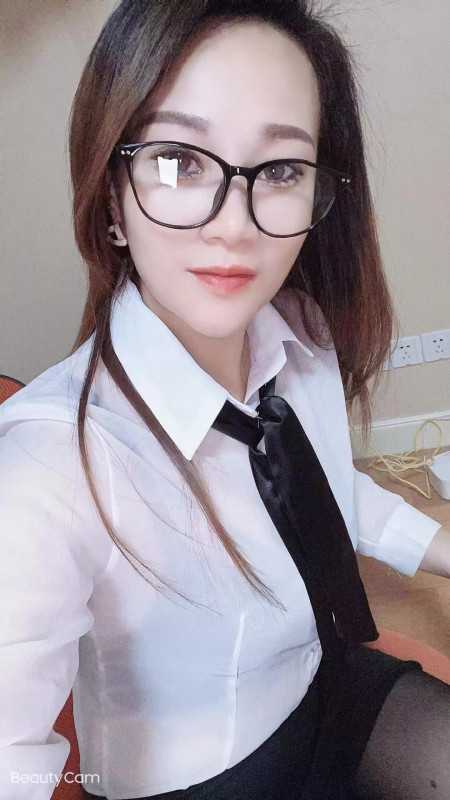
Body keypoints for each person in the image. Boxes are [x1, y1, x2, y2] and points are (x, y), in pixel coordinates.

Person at [0, 1, 449, 798]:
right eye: (179, 159)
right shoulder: (49, 469)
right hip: (203, 779)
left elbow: (322, 488)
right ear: (112, 195)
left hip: (327, 685)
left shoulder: (300, 333)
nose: (235, 226)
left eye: (280, 171)